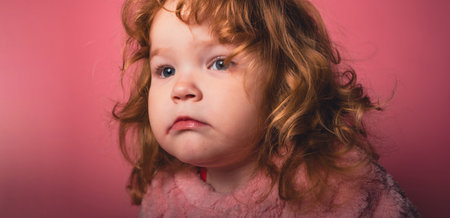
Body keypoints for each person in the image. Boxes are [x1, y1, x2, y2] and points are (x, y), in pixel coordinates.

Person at [113, 0, 419, 217]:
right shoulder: (164, 196)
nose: (181, 89)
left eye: (219, 63)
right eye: (166, 71)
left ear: (284, 81)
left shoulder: (332, 186)